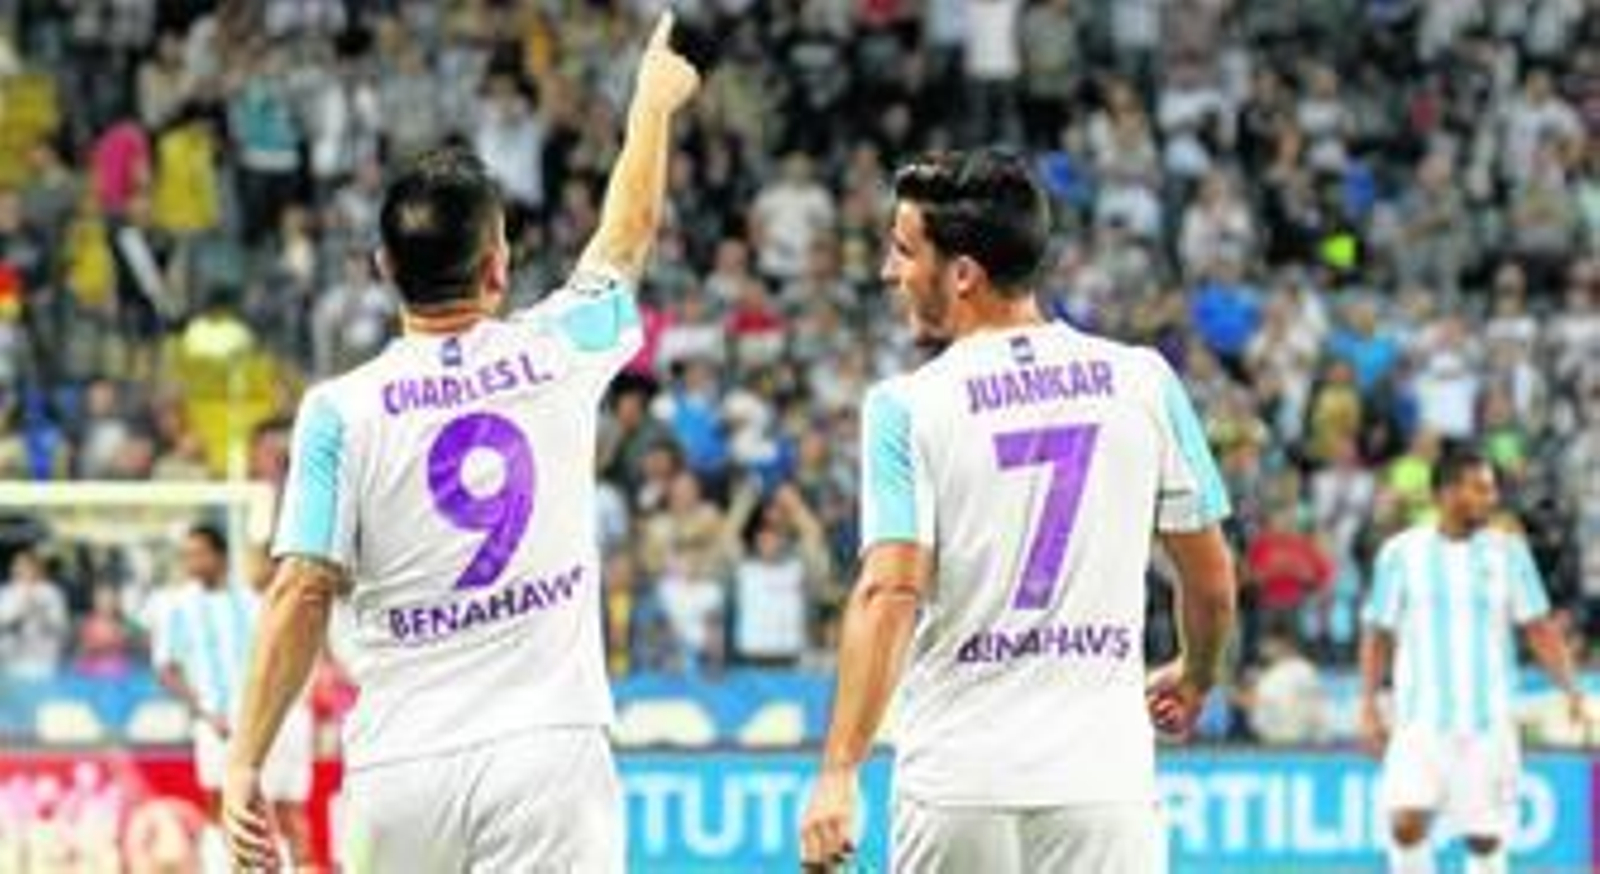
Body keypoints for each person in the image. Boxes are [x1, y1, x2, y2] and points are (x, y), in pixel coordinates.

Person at [220, 14, 699, 871]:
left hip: (401, 766)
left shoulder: (338, 412)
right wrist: (652, 106)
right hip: (549, 754)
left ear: (383, 268)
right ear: (497, 269)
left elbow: (300, 591)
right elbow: (624, 239)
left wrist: (245, 760)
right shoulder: (559, 350)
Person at [798, 150, 1238, 872]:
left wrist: (839, 771)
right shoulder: (1144, 382)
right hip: (1103, 784)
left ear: (962, 275)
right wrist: (1195, 674)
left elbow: (889, 592)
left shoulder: (905, 408)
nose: (888, 271)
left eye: (905, 251)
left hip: (958, 784)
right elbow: (1213, 583)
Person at [1360, 446, 1587, 874]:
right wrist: (1368, 704)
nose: (1491, 498)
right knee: (1406, 823)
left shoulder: (1509, 553)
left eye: (1491, 489)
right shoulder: (1401, 553)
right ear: (1446, 493)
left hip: (1487, 724)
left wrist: (1571, 690)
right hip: (1419, 721)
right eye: (1479, 488)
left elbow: (1538, 628)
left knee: (1484, 839)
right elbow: (1378, 633)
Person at [152, 525, 313, 872]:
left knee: (270, 807)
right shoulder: (177, 605)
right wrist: (204, 712)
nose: (192, 562)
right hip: (215, 723)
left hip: (260, 721)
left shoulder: (253, 601)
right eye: (187, 555)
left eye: (199, 553)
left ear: (220, 556)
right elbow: (166, 668)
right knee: (218, 804)